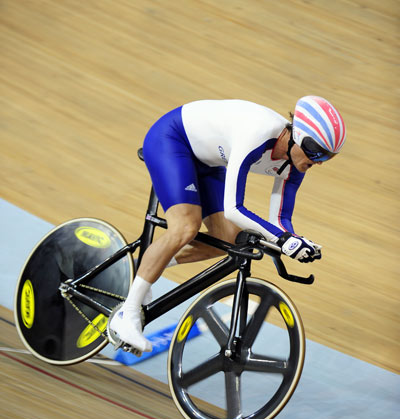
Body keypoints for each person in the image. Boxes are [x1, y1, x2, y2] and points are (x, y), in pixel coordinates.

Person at [108, 96, 346, 354]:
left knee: (228, 242)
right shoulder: (258, 133)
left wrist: (295, 241)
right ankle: (127, 315)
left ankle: (140, 269)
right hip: (172, 140)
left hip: (207, 162)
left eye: (327, 157)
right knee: (186, 228)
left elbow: (279, 221)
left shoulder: (297, 165)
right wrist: (282, 239)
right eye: (317, 152)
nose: (319, 162)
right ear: (299, 136)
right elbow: (234, 209)